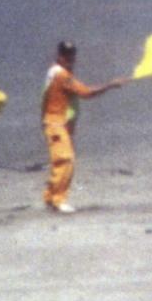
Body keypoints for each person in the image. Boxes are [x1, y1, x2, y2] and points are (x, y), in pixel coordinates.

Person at [41, 40, 127, 213]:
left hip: (57, 123)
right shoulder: (61, 75)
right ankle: (58, 201)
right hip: (56, 123)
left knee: (61, 161)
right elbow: (86, 92)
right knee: (66, 160)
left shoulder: (56, 71)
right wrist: (111, 84)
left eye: (72, 55)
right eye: (67, 56)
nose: (71, 59)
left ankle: (50, 197)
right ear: (60, 56)